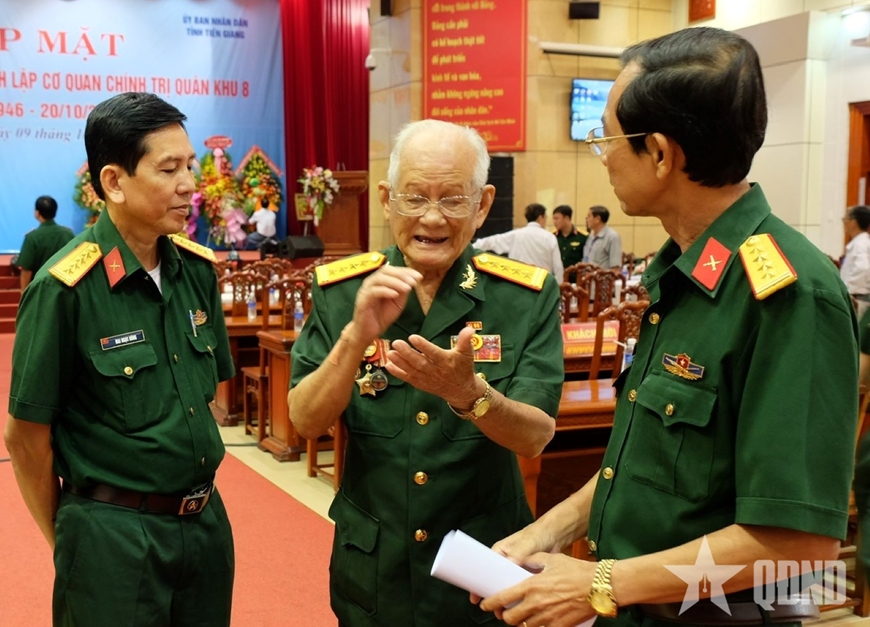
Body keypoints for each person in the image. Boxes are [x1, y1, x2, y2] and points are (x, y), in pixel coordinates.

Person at [479, 27, 858, 627]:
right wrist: (546, 530)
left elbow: (798, 543)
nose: (602, 155)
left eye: (606, 138)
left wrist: (600, 583)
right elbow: (646, 466)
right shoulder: (686, 273)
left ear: (659, 153)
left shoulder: (787, 295)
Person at [288, 118, 563, 626]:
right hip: (376, 566)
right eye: (414, 198)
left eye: (453, 200)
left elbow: (535, 437)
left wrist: (471, 395)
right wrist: (355, 336)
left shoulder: (525, 296)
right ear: (386, 199)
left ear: (482, 205)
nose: (432, 218)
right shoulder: (341, 290)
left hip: (481, 569)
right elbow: (304, 421)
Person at [4, 92, 236, 627]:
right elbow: (25, 438)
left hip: (205, 529)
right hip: (112, 539)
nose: (189, 184)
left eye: (191, 166)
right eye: (169, 169)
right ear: (113, 182)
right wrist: (75, 539)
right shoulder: (65, 289)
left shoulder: (196, 272)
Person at [472, 203, 564, 278]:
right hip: (542, 283)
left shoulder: (515, 235)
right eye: (546, 217)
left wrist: (470, 249)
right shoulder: (550, 237)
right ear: (540, 217)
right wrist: (558, 287)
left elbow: (489, 242)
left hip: (518, 283)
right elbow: (558, 267)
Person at [16, 195, 74, 290]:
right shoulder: (68, 234)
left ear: (37, 213)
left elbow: (26, 269)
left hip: (40, 290)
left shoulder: (32, 237)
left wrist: (24, 293)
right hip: (65, 290)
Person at [841, 205, 870, 317]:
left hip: (857, 299)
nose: (844, 222)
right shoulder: (861, 242)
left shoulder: (860, 244)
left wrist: (846, 290)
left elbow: (862, 268)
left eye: (846, 219)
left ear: (854, 222)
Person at [552, 204, 587, 280]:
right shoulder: (552, 237)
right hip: (557, 278)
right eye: (553, 219)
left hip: (576, 279)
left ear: (567, 218)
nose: (554, 222)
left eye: (557, 219)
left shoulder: (583, 237)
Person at [582, 205, 622, 269]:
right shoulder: (591, 236)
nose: (587, 220)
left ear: (597, 219)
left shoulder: (612, 237)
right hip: (586, 274)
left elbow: (615, 267)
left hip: (602, 275)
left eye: (589, 216)